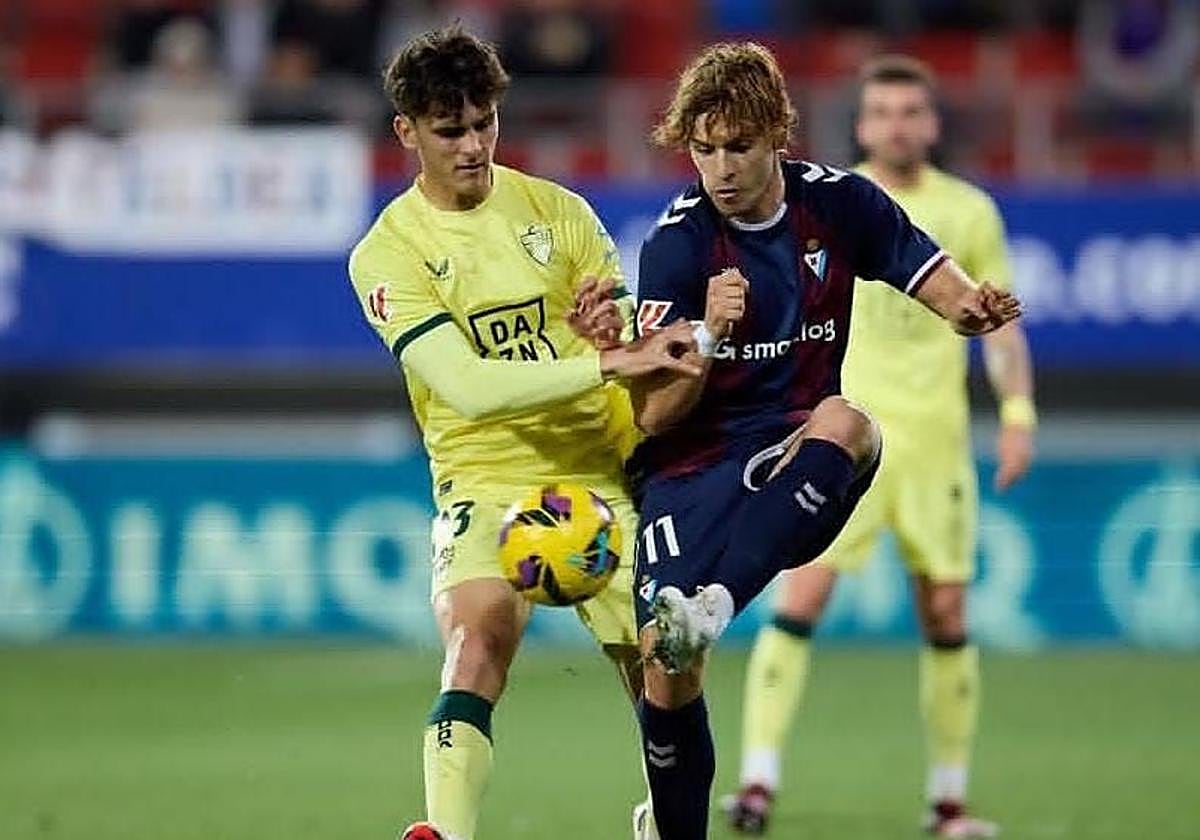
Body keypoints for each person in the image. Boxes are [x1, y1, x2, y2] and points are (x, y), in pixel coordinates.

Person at [628, 42, 1022, 840]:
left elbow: (928, 272)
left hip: (794, 449)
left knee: (848, 420)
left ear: (778, 134)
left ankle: (715, 606)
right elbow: (652, 419)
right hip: (692, 467)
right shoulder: (675, 247)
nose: (720, 169)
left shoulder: (841, 204)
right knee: (667, 674)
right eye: (703, 149)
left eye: (737, 146)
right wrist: (705, 335)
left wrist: (967, 311)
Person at [347, 25, 697, 840]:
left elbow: (622, 347)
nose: (473, 145)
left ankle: (668, 818)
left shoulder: (560, 213)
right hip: (483, 476)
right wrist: (604, 365)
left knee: (663, 670)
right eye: (450, 130)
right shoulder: (387, 254)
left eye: (484, 123)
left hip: (602, 470)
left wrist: (610, 342)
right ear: (407, 131)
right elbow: (467, 388)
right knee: (477, 645)